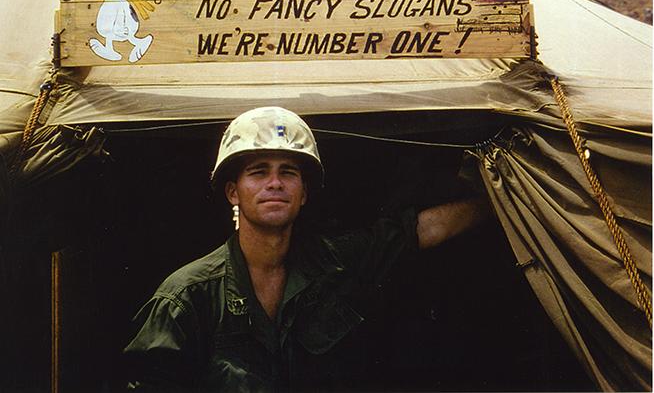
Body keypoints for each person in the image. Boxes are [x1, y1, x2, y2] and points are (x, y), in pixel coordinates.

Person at [123, 106, 489, 392]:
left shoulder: (338, 263)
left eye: (288, 172)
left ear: (303, 193)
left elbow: (420, 231)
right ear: (233, 192)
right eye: (258, 171)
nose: (274, 183)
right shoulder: (185, 298)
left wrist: (503, 194)